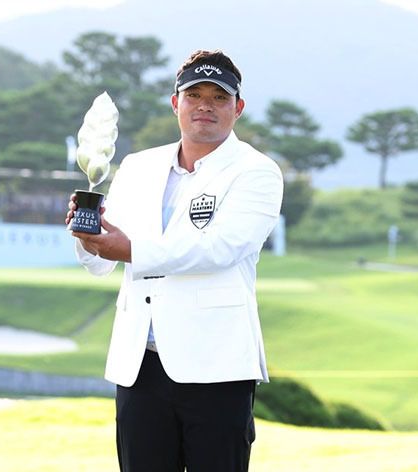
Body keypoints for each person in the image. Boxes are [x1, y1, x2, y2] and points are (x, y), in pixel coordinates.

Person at [65, 49, 283, 472]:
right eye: (194, 95)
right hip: (140, 365)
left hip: (216, 365)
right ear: (175, 103)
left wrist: (129, 250)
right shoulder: (138, 166)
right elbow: (101, 262)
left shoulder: (256, 171)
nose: (205, 106)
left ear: (237, 108)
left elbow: (220, 248)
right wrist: (88, 237)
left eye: (219, 97)